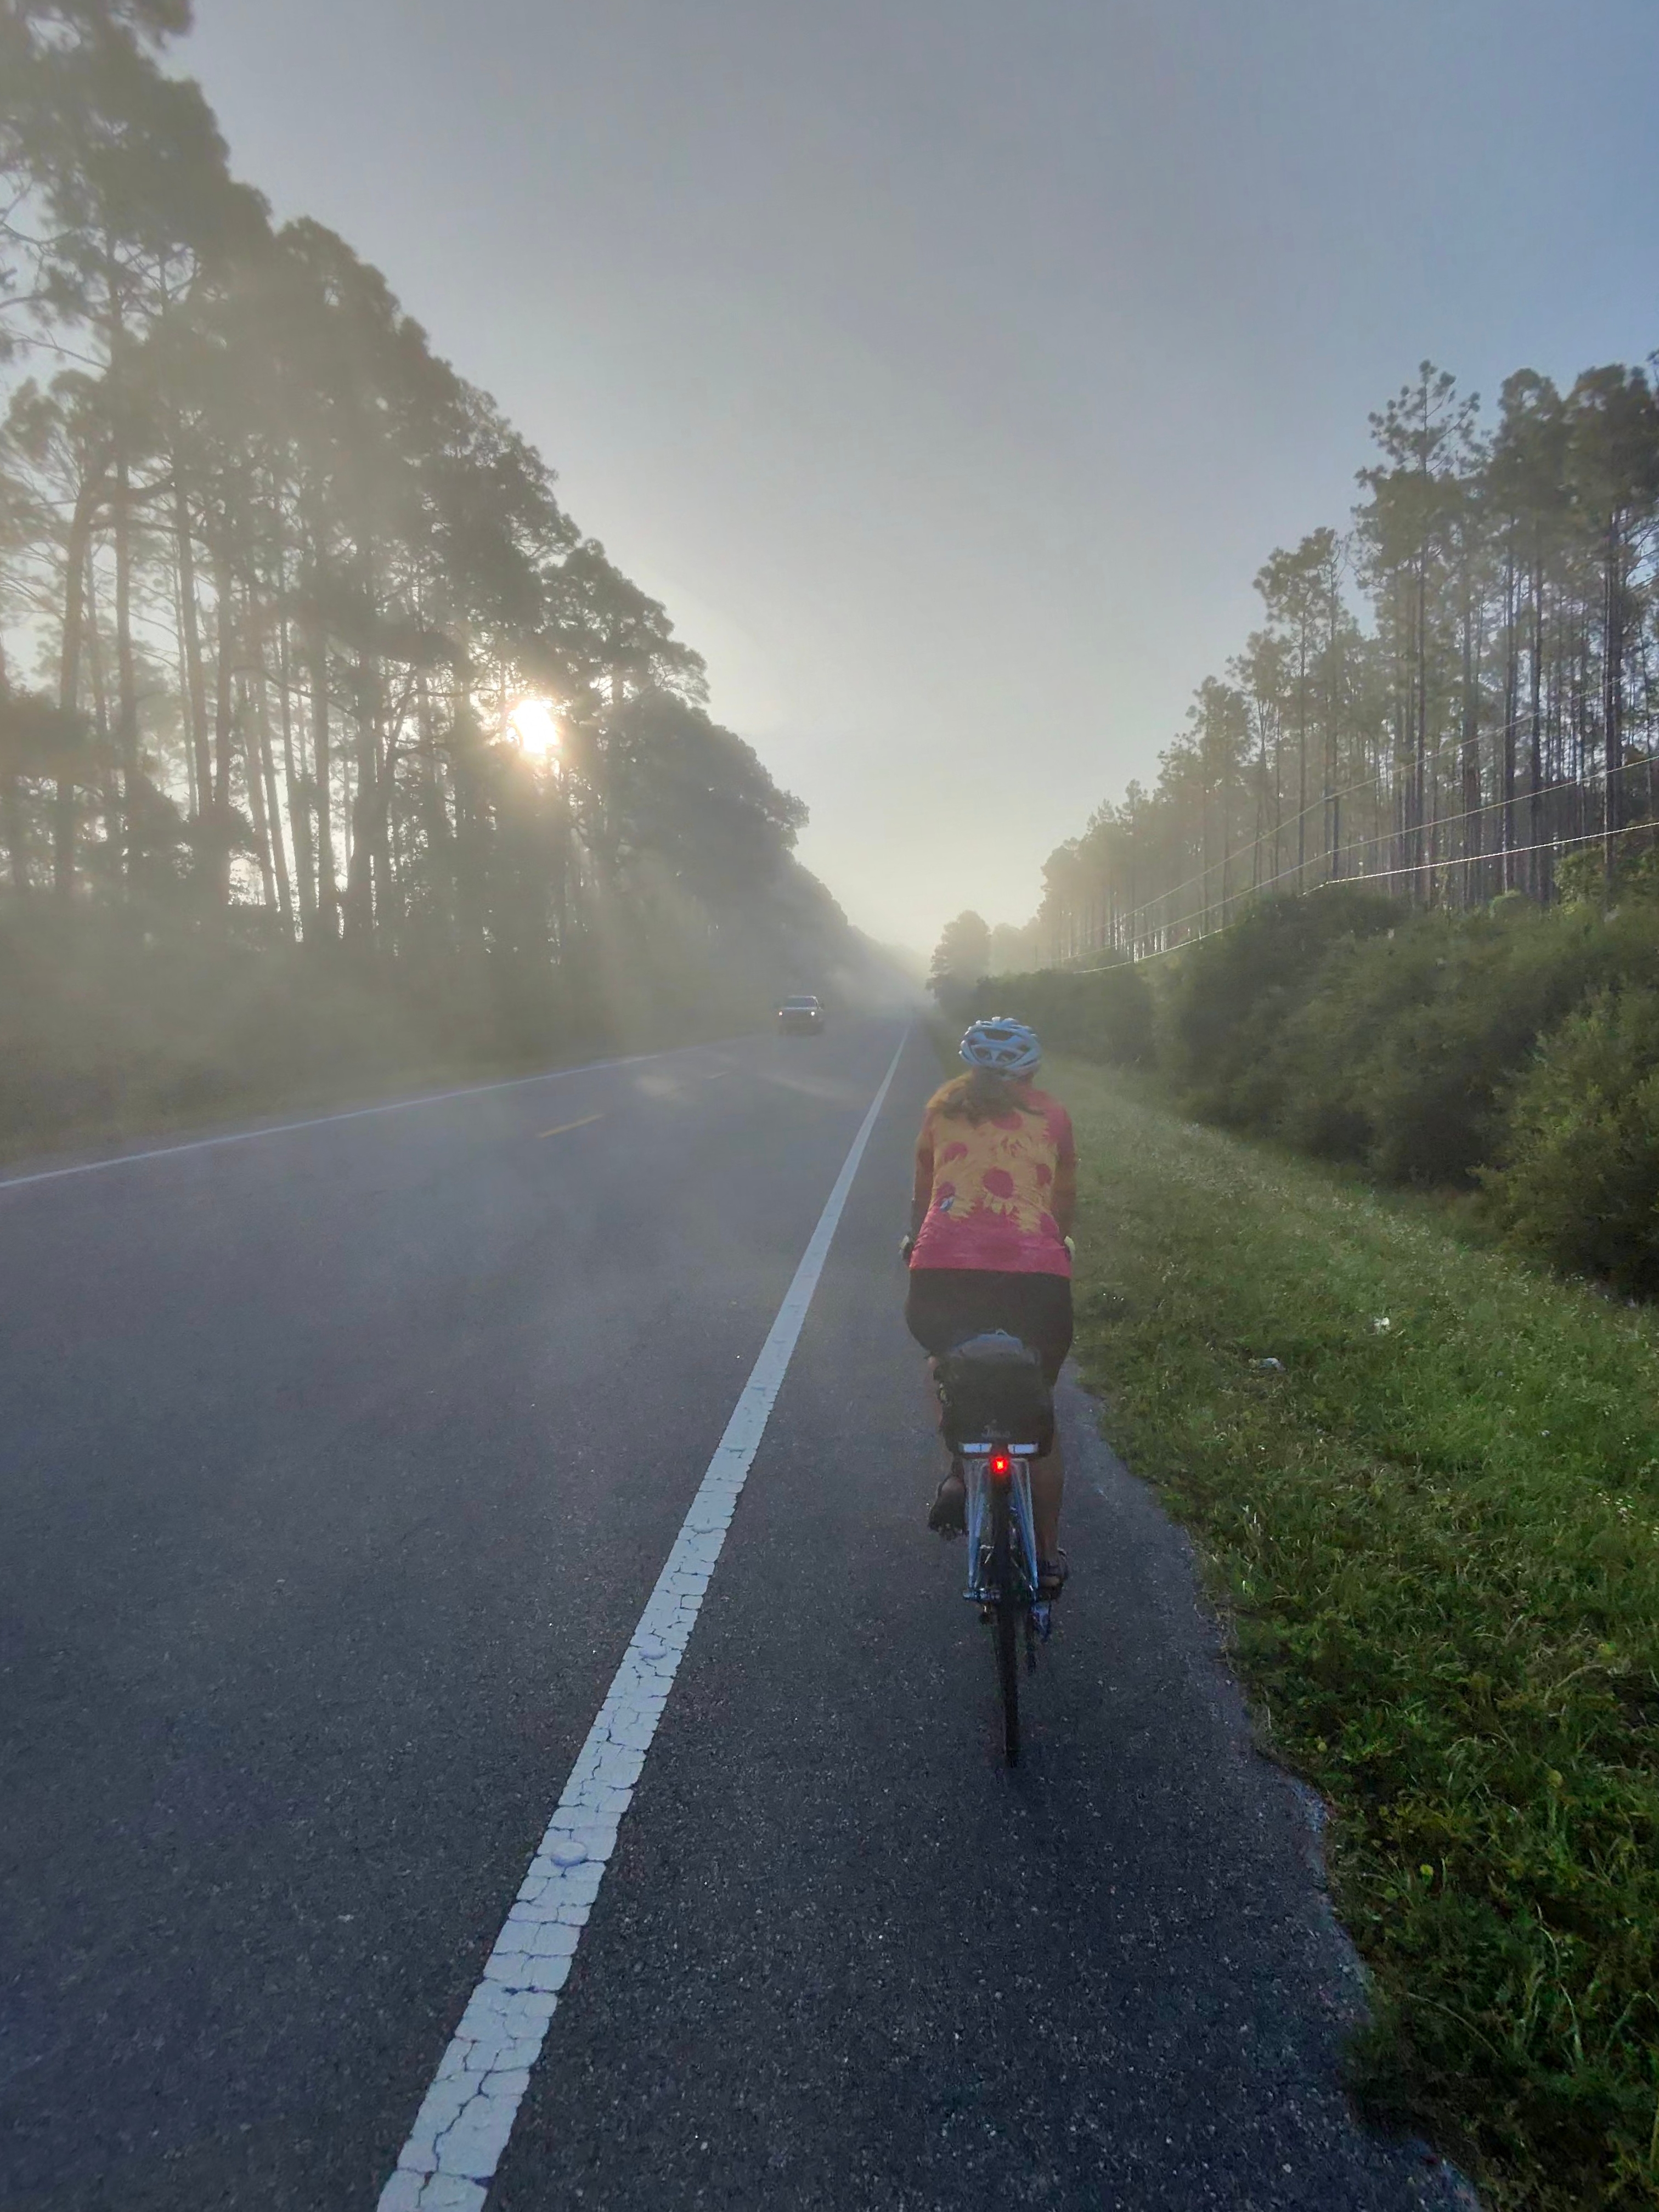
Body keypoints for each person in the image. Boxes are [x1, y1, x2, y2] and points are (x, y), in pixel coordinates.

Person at [902, 1016, 1075, 1595]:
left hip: (941, 1275)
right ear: (1032, 1072)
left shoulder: (941, 1109)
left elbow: (924, 1195)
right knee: (1037, 1400)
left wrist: (916, 1242)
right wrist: (1058, 1241)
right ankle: (1046, 1558)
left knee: (942, 1362)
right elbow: (1063, 1197)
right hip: (1036, 1281)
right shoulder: (1053, 1115)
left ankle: (959, 1471)